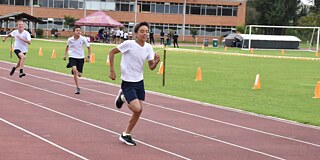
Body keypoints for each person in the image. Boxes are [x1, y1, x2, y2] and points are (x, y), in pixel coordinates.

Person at [108, 22, 160, 146]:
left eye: (147, 31)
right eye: (142, 31)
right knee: (136, 108)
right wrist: (112, 70)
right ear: (136, 34)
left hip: (139, 81)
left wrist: (156, 62)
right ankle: (123, 96)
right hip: (128, 81)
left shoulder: (148, 47)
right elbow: (111, 52)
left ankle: (126, 134)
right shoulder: (128, 44)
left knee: (139, 111)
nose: (145, 33)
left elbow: (151, 67)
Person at [63, 26, 91, 94]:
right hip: (72, 56)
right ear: (74, 32)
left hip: (80, 57)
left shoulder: (83, 39)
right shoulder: (70, 39)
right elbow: (67, 47)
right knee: (75, 70)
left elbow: (89, 47)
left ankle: (72, 68)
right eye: (77, 30)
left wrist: (88, 56)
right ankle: (77, 87)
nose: (78, 32)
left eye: (79, 30)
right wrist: (65, 55)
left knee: (80, 75)